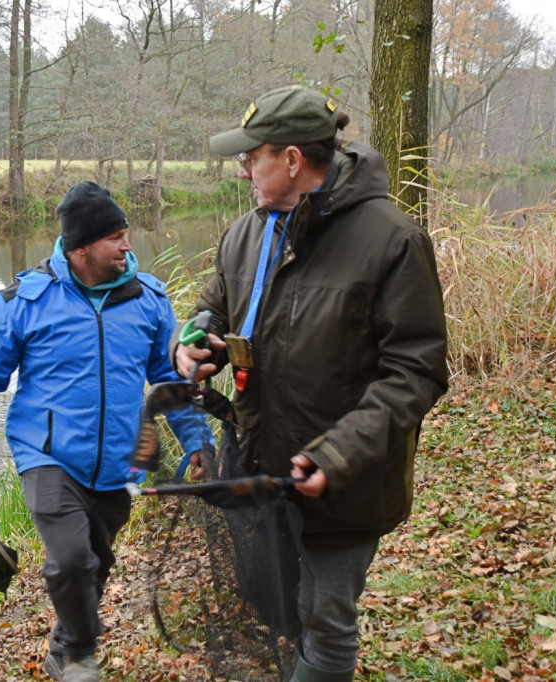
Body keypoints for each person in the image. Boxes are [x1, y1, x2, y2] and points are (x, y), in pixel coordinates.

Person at [172, 85, 448, 682]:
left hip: (343, 486)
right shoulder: (245, 233)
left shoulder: (392, 239)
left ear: (293, 160)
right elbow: (211, 310)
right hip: (255, 466)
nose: (243, 168)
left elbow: (416, 372)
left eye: (253, 156)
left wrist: (337, 454)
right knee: (277, 604)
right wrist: (191, 344)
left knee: (326, 622)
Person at [0, 180, 213, 682]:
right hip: (48, 454)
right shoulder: (24, 300)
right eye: (115, 237)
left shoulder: (148, 300)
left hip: (121, 459)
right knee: (71, 560)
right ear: (80, 248)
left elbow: (170, 380)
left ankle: (62, 644)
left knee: (97, 562)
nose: (127, 245)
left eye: (126, 235)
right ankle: (80, 660)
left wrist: (197, 441)